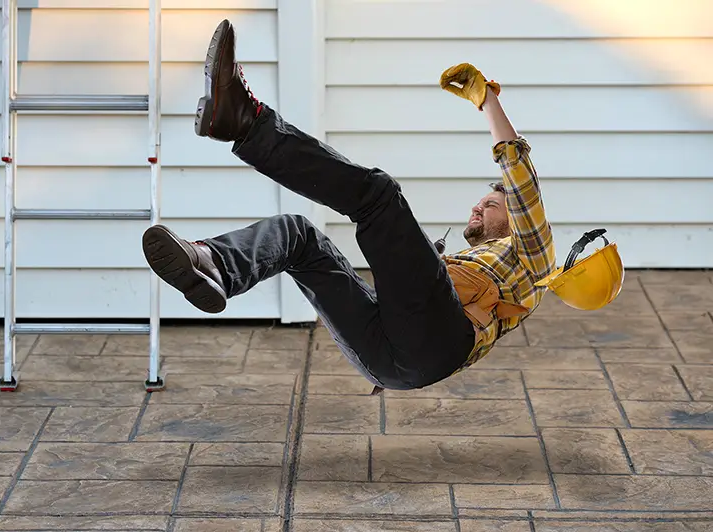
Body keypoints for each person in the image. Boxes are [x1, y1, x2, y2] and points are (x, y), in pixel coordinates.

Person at [141, 19, 564, 394]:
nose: (476, 208)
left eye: (490, 204)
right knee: (297, 236)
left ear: (516, 218)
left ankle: (244, 122)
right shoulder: (465, 264)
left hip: (440, 342)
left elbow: (520, 178)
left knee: (381, 197)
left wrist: (487, 99)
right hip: (389, 360)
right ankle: (214, 265)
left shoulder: (535, 255)